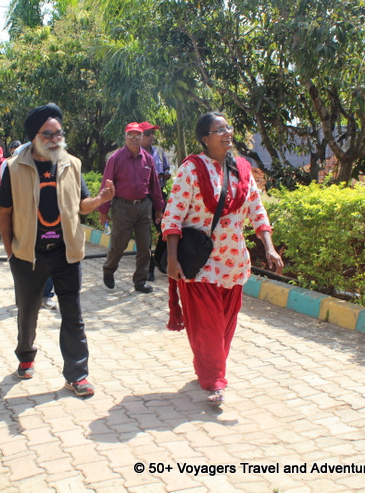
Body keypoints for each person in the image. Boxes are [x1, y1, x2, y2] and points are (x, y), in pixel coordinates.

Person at [161, 112, 283, 404]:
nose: (227, 132)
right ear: (205, 139)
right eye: (219, 130)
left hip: (235, 262)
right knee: (208, 326)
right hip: (200, 264)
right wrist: (172, 260)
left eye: (228, 127)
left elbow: (256, 208)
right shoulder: (191, 170)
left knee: (226, 325)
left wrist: (268, 245)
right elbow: (173, 216)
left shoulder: (242, 168)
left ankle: (210, 366)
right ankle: (215, 379)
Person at [0, 103, 114, 397]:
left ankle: (77, 374)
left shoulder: (71, 164)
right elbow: (4, 211)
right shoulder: (13, 168)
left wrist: (100, 200)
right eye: (48, 133)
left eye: (59, 133)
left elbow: (81, 206)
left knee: (73, 315)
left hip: (66, 254)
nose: (55, 138)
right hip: (29, 256)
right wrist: (11, 252)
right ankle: (26, 356)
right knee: (28, 313)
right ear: (34, 136)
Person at [98, 122, 165, 293]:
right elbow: (106, 186)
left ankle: (140, 281)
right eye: (131, 136)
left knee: (145, 246)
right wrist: (103, 212)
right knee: (119, 244)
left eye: (138, 136)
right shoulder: (116, 158)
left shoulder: (148, 159)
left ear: (142, 138)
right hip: (122, 207)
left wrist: (159, 207)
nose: (134, 139)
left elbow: (154, 186)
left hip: (143, 207)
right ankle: (109, 269)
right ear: (125, 137)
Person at [2, 140, 57, 311]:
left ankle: (46, 295)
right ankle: (25, 295)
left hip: (46, 225)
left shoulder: (52, 166)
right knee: (24, 264)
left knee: (49, 261)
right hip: (22, 225)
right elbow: (5, 207)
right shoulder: (10, 166)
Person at [140, 121, 171, 282]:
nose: (151, 136)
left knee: (166, 229)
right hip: (143, 199)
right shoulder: (135, 154)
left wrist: (165, 175)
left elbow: (167, 170)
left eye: (153, 133)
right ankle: (149, 269)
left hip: (159, 196)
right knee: (145, 235)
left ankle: (159, 259)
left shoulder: (158, 152)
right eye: (148, 133)